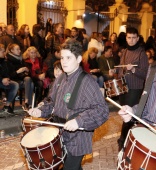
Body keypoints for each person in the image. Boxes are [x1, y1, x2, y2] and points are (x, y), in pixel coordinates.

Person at [28, 39, 109, 170]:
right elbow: (50, 100)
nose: (64, 61)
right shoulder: (60, 78)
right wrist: (41, 110)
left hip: (78, 138)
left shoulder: (87, 82)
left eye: (68, 58)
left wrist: (79, 121)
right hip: (60, 134)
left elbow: (102, 110)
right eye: (62, 58)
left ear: (78, 59)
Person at [118, 15, 156, 137]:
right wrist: (132, 111)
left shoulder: (142, 54)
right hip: (150, 131)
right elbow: (148, 103)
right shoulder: (154, 68)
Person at [116, 27, 149, 151]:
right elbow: (121, 69)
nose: (131, 40)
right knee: (125, 115)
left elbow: (146, 74)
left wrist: (134, 70)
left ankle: (123, 140)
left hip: (135, 88)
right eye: (129, 38)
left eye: (133, 38)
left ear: (138, 38)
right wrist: (116, 72)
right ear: (126, 38)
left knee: (129, 115)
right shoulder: (124, 51)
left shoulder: (142, 54)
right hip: (124, 87)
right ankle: (127, 139)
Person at [6, 43, 34, 111]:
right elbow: (9, 75)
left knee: (28, 79)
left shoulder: (21, 59)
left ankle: (27, 102)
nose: (20, 51)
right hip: (14, 80)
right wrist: (18, 71)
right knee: (31, 83)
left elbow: (26, 73)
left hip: (23, 79)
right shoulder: (8, 60)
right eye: (17, 49)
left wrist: (26, 71)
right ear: (12, 50)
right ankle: (28, 104)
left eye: (19, 49)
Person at [0, 44, 19, 114]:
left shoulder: (4, 61)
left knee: (15, 85)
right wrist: (1, 79)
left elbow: (7, 72)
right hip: (0, 80)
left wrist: (7, 79)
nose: (4, 53)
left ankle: (7, 106)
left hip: (3, 81)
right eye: (3, 51)